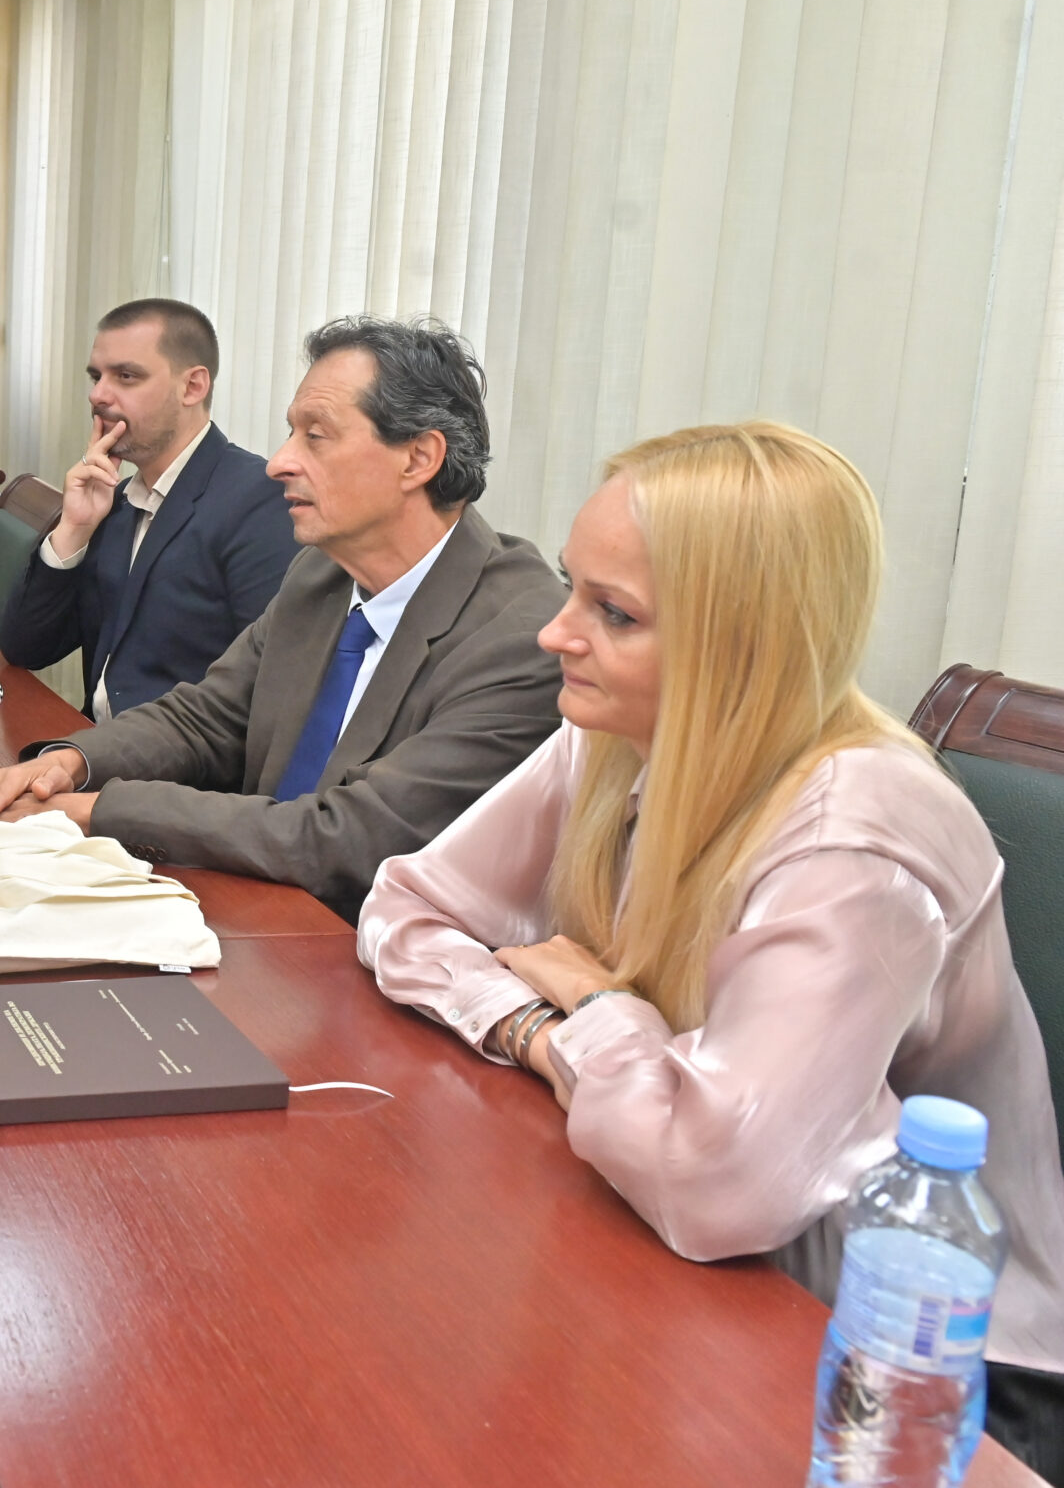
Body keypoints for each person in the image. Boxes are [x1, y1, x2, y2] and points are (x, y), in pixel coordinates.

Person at [357, 421, 1064, 1472]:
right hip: (699, 1254)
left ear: (743, 642)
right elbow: (407, 909)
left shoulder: (858, 832)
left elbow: (713, 1179)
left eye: (614, 613)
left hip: (918, 1361)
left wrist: (600, 1009)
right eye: (573, 588)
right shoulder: (614, 735)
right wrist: (540, 1032)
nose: (554, 633)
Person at [0, 316, 564, 918]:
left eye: (315, 436)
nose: (278, 462)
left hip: (374, 956)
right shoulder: (321, 574)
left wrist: (97, 811)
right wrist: (70, 763)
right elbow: (207, 717)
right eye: (291, 432)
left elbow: (350, 838)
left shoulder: (523, 637)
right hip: (258, 908)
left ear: (419, 458)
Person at [0, 299, 298, 719]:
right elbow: (26, 648)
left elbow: (262, 696)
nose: (98, 395)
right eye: (96, 377)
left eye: (126, 376)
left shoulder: (260, 502)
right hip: (92, 742)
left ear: (193, 387)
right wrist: (74, 528)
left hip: (169, 757)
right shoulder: (116, 501)